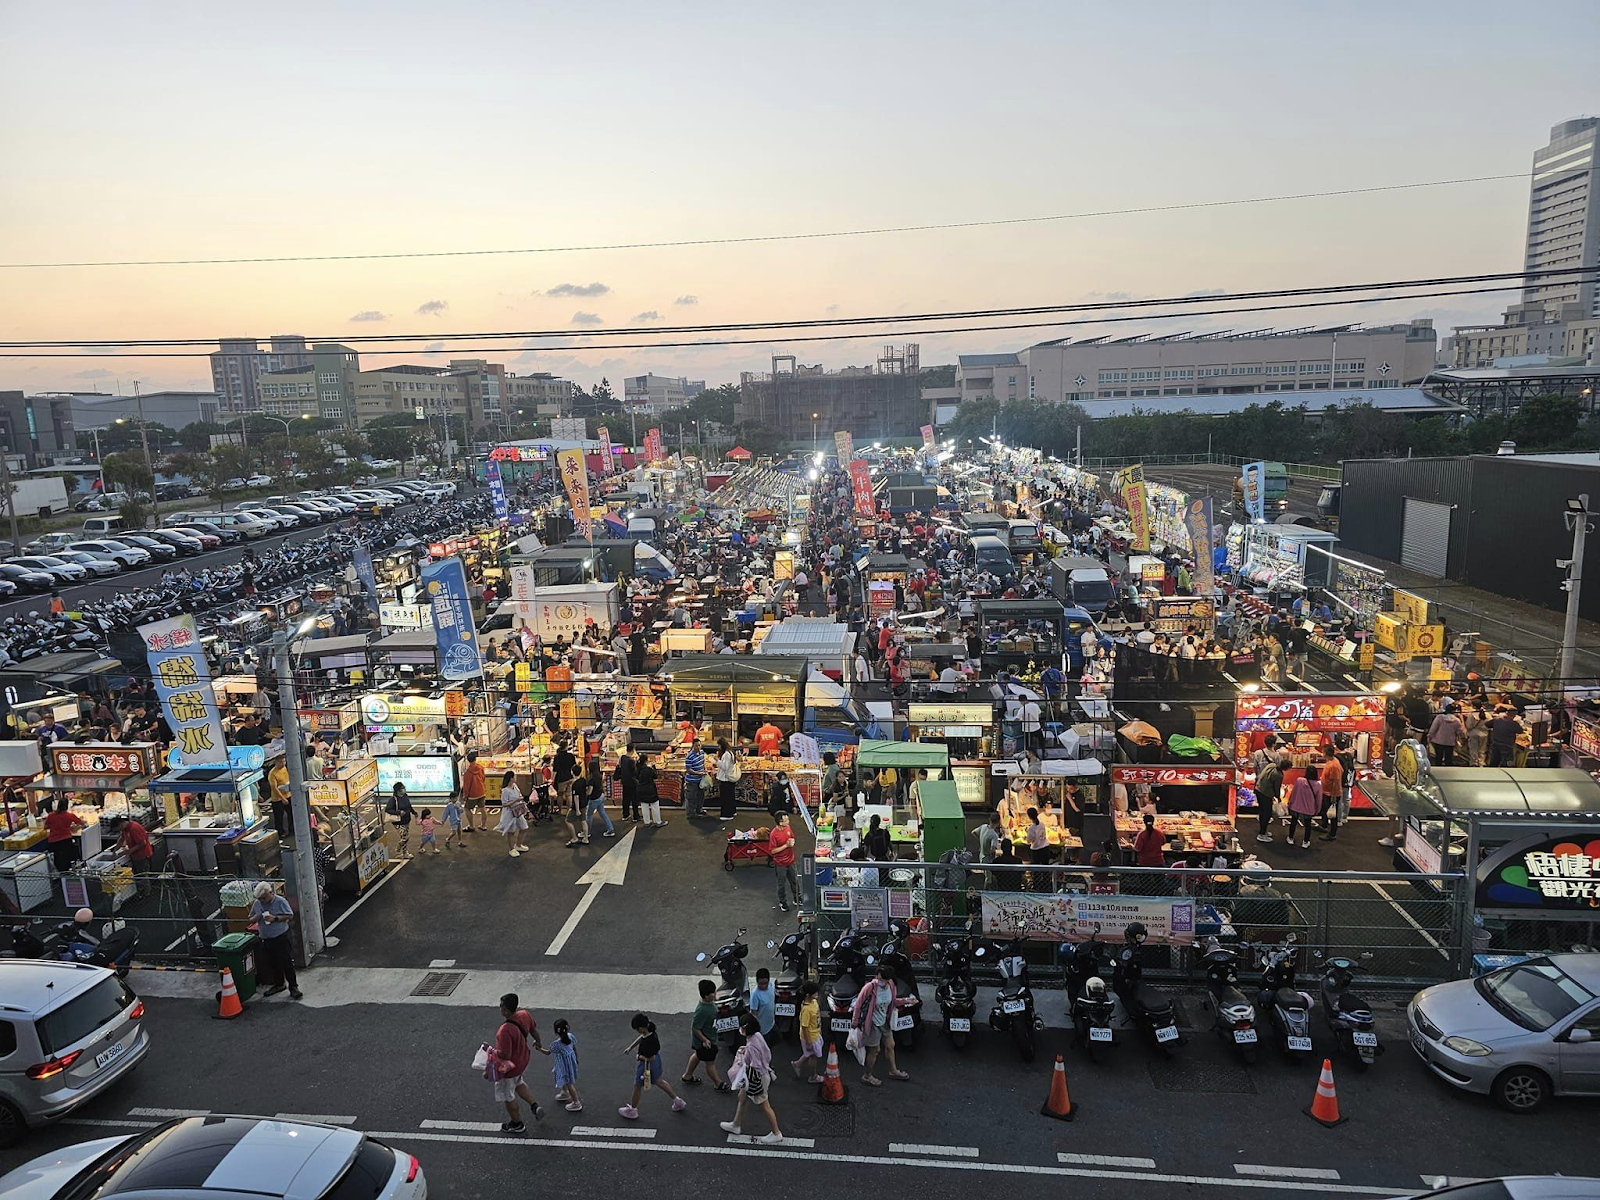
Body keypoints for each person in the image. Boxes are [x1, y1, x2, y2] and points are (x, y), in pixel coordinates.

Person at [484, 992, 546, 1133]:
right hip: (523, 1060)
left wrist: (491, 1050)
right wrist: (538, 1042)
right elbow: (533, 1030)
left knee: (508, 1095)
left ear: (505, 1010)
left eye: (501, 1006)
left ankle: (517, 1124)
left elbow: (506, 1054)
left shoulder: (504, 1031)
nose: (499, 1008)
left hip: (510, 1068)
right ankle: (534, 1106)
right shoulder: (524, 1014)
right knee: (519, 1083)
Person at [719, 1012, 784, 1144]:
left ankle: (776, 1133)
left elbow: (756, 1066)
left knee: (765, 1105)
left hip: (757, 1079)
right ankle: (736, 1124)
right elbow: (766, 1054)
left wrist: (744, 1063)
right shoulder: (757, 1036)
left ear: (745, 1029)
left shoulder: (752, 1045)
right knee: (741, 1098)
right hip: (763, 1074)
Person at [851, 963, 913, 1085]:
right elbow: (858, 1005)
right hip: (873, 1023)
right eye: (878, 978)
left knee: (890, 1045)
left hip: (885, 1021)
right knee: (874, 1050)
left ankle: (893, 1070)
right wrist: (855, 1023)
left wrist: (906, 1001)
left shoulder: (891, 986)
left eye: (882, 979)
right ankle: (867, 1076)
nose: (879, 981)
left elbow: (893, 1001)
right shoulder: (870, 987)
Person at [619, 1013, 687, 1120]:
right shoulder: (650, 1031)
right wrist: (631, 1047)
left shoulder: (648, 1043)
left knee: (637, 1086)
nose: (637, 1031)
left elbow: (650, 1058)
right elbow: (642, 1038)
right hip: (656, 1062)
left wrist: (639, 1057)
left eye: (637, 1029)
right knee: (659, 1081)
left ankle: (633, 1110)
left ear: (641, 1028)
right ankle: (677, 1101)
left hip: (647, 1065)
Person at [249, 881, 301, 1000]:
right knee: (273, 962)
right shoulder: (257, 903)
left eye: (263, 898)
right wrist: (257, 917)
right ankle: (279, 984)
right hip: (266, 938)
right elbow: (250, 918)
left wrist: (275, 918)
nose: (261, 901)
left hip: (280, 937)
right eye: (260, 899)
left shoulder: (280, 901)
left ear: (270, 893)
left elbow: (289, 915)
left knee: (286, 962)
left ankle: (293, 987)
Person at [681, 978, 730, 1090]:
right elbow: (695, 1028)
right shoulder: (702, 1011)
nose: (715, 994)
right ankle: (718, 1084)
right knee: (710, 1063)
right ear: (706, 996)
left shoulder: (709, 1003)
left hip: (707, 1040)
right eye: (712, 993)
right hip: (706, 1042)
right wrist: (704, 1040)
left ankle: (687, 1076)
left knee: (697, 1055)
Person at [791, 981, 824, 1083]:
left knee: (810, 1053)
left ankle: (797, 1064)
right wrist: (808, 1042)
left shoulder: (813, 1002)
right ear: (808, 995)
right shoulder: (806, 1009)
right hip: (811, 1037)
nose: (817, 994)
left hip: (816, 1033)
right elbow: (804, 1027)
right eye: (815, 993)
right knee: (813, 1057)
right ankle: (813, 1076)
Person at [44, 798, 85, 874]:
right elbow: (81, 823)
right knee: (67, 860)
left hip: (53, 842)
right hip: (66, 841)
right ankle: (68, 875)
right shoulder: (69, 815)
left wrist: (54, 826)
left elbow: (45, 827)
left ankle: (60, 876)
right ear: (66, 806)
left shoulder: (51, 815)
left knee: (57, 860)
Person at [1285, 763, 1321, 848]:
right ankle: (1305, 841)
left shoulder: (1299, 781)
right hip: (1309, 809)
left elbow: (1293, 793)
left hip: (1296, 806)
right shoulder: (1318, 785)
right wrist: (1317, 810)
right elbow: (1319, 799)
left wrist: (1290, 803)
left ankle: (1290, 838)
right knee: (1308, 825)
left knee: (1293, 822)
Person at [550, 1018, 582, 1113]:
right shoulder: (571, 1036)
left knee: (569, 1083)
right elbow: (574, 1049)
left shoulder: (556, 1044)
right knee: (563, 1078)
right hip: (569, 1064)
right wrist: (576, 1059)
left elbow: (548, 1052)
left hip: (564, 1066)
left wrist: (539, 1048)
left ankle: (576, 1102)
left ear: (556, 1031)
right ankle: (564, 1092)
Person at [769, 812, 798, 913]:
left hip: (791, 860)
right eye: (786, 820)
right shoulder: (774, 834)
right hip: (780, 863)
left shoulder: (788, 828)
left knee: (795, 881)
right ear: (780, 823)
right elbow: (772, 851)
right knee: (781, 884)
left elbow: (792, 837)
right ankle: (783, 902)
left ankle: (797, 898)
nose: (788, 822)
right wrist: (786, 846)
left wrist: (792, 842)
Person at [1255, 753, 1285, 843]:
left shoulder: (1271, 765)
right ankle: (1262, 834)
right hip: (1266, 794)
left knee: (1262, 811)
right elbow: (1277, 788)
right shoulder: (1278, 775)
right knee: (1267, 814)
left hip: (1258, 790)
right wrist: (1278, 798)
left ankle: (1263, 830)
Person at [497, 771, 529, 857]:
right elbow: (504, 804)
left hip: (518, 811)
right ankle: (511, 849)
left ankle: (518, 845)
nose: (516, 778)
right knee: (511, 831)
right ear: (511, 778)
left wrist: (521, 800)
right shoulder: (505, 791)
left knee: (524, 827)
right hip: (510, 813)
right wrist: (516, 800)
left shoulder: (515, 787)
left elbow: (519, 795)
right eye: (514, 776)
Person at [1427, 700, 1466, 767]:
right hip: (1450, 742)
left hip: (1438, 741)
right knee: (1449, 758)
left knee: (1438, 758)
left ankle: (1438, 770)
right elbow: (1459, 731)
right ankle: (1448, 771)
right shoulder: (1457, 721)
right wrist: (1463, 737)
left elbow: (1433, 728)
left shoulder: (1439, 717)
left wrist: (1430, 736)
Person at [583, 760, 616, 838]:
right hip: (601, 796)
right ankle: (610, 829)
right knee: (603, 813)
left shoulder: (591, 779)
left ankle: (587, 832)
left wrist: (585, 792)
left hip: (594, 799)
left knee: (589, 815)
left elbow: (589, 792)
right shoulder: (599, 775)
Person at [461, 749, 487, 832]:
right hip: (481, 791)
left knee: (467, 808)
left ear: (468, 760)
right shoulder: (480, 768)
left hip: (472, 794)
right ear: (475, 759)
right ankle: (483, 826)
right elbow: (483, 778)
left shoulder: (467, 773)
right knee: (482, 808)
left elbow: (466, 786)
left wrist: (465, 795)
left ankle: (471, 826)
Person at [386, 781, 415, 858]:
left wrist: (414, 812)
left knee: (404, 837)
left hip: (406, 820)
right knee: (405, 837)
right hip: (398, 822)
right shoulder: (393, 799)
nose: (404, 789)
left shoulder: (405, 796)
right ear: (398, 790)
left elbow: (409, 806)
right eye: (402, 788)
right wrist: (398, 812)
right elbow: (388, 810)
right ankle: (399, 848)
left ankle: (405, 853)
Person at [715, 739, 740, 821]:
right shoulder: (730, 752)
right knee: (730, 797)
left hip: (726, 779)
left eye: (719, 745)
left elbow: (724, 767)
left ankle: (727, 814)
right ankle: (732, 811)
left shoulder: (726, 754)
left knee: (725, 798)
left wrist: (717, 760)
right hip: (730, 779)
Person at [748, 967, 776, 1038]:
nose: (763, 986)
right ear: (757, 981)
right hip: (762, 1029)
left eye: (765, 983)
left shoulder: (770, 985)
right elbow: (753, 1013)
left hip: (771, 1023)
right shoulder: (755, 994)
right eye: (760, 983)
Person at [616, 745, 641, 822]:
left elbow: (618, 766)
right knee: (634, 800)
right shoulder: (631, 760)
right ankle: (635, 816)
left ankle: (625, 814)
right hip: (632, 782)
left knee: (625, 799)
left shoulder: (622, 757)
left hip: (624, 782)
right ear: (633, 750)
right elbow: (635, 772)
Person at [683, 739, 706, 820]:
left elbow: (703, 763)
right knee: (691, 798)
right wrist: (699, 773)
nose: (698, 747)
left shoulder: (702, 753)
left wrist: (704, 770)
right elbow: (688, 770)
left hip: (700, 780)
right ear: (693, 746)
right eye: (696, 745)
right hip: (692, 781)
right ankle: (691, 814)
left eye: (699, 745)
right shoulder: (689, 756)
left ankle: (699, 810)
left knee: (700, 796)